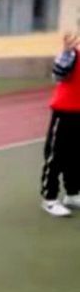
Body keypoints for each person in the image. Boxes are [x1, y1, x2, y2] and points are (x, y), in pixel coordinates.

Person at [40, 32, 80, 217]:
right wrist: (65, 52)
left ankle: (72, 194)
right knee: (56, 156)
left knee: (75, 157)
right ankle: (50, 198)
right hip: (65, 112)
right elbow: (58, 74)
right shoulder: (72, 54)